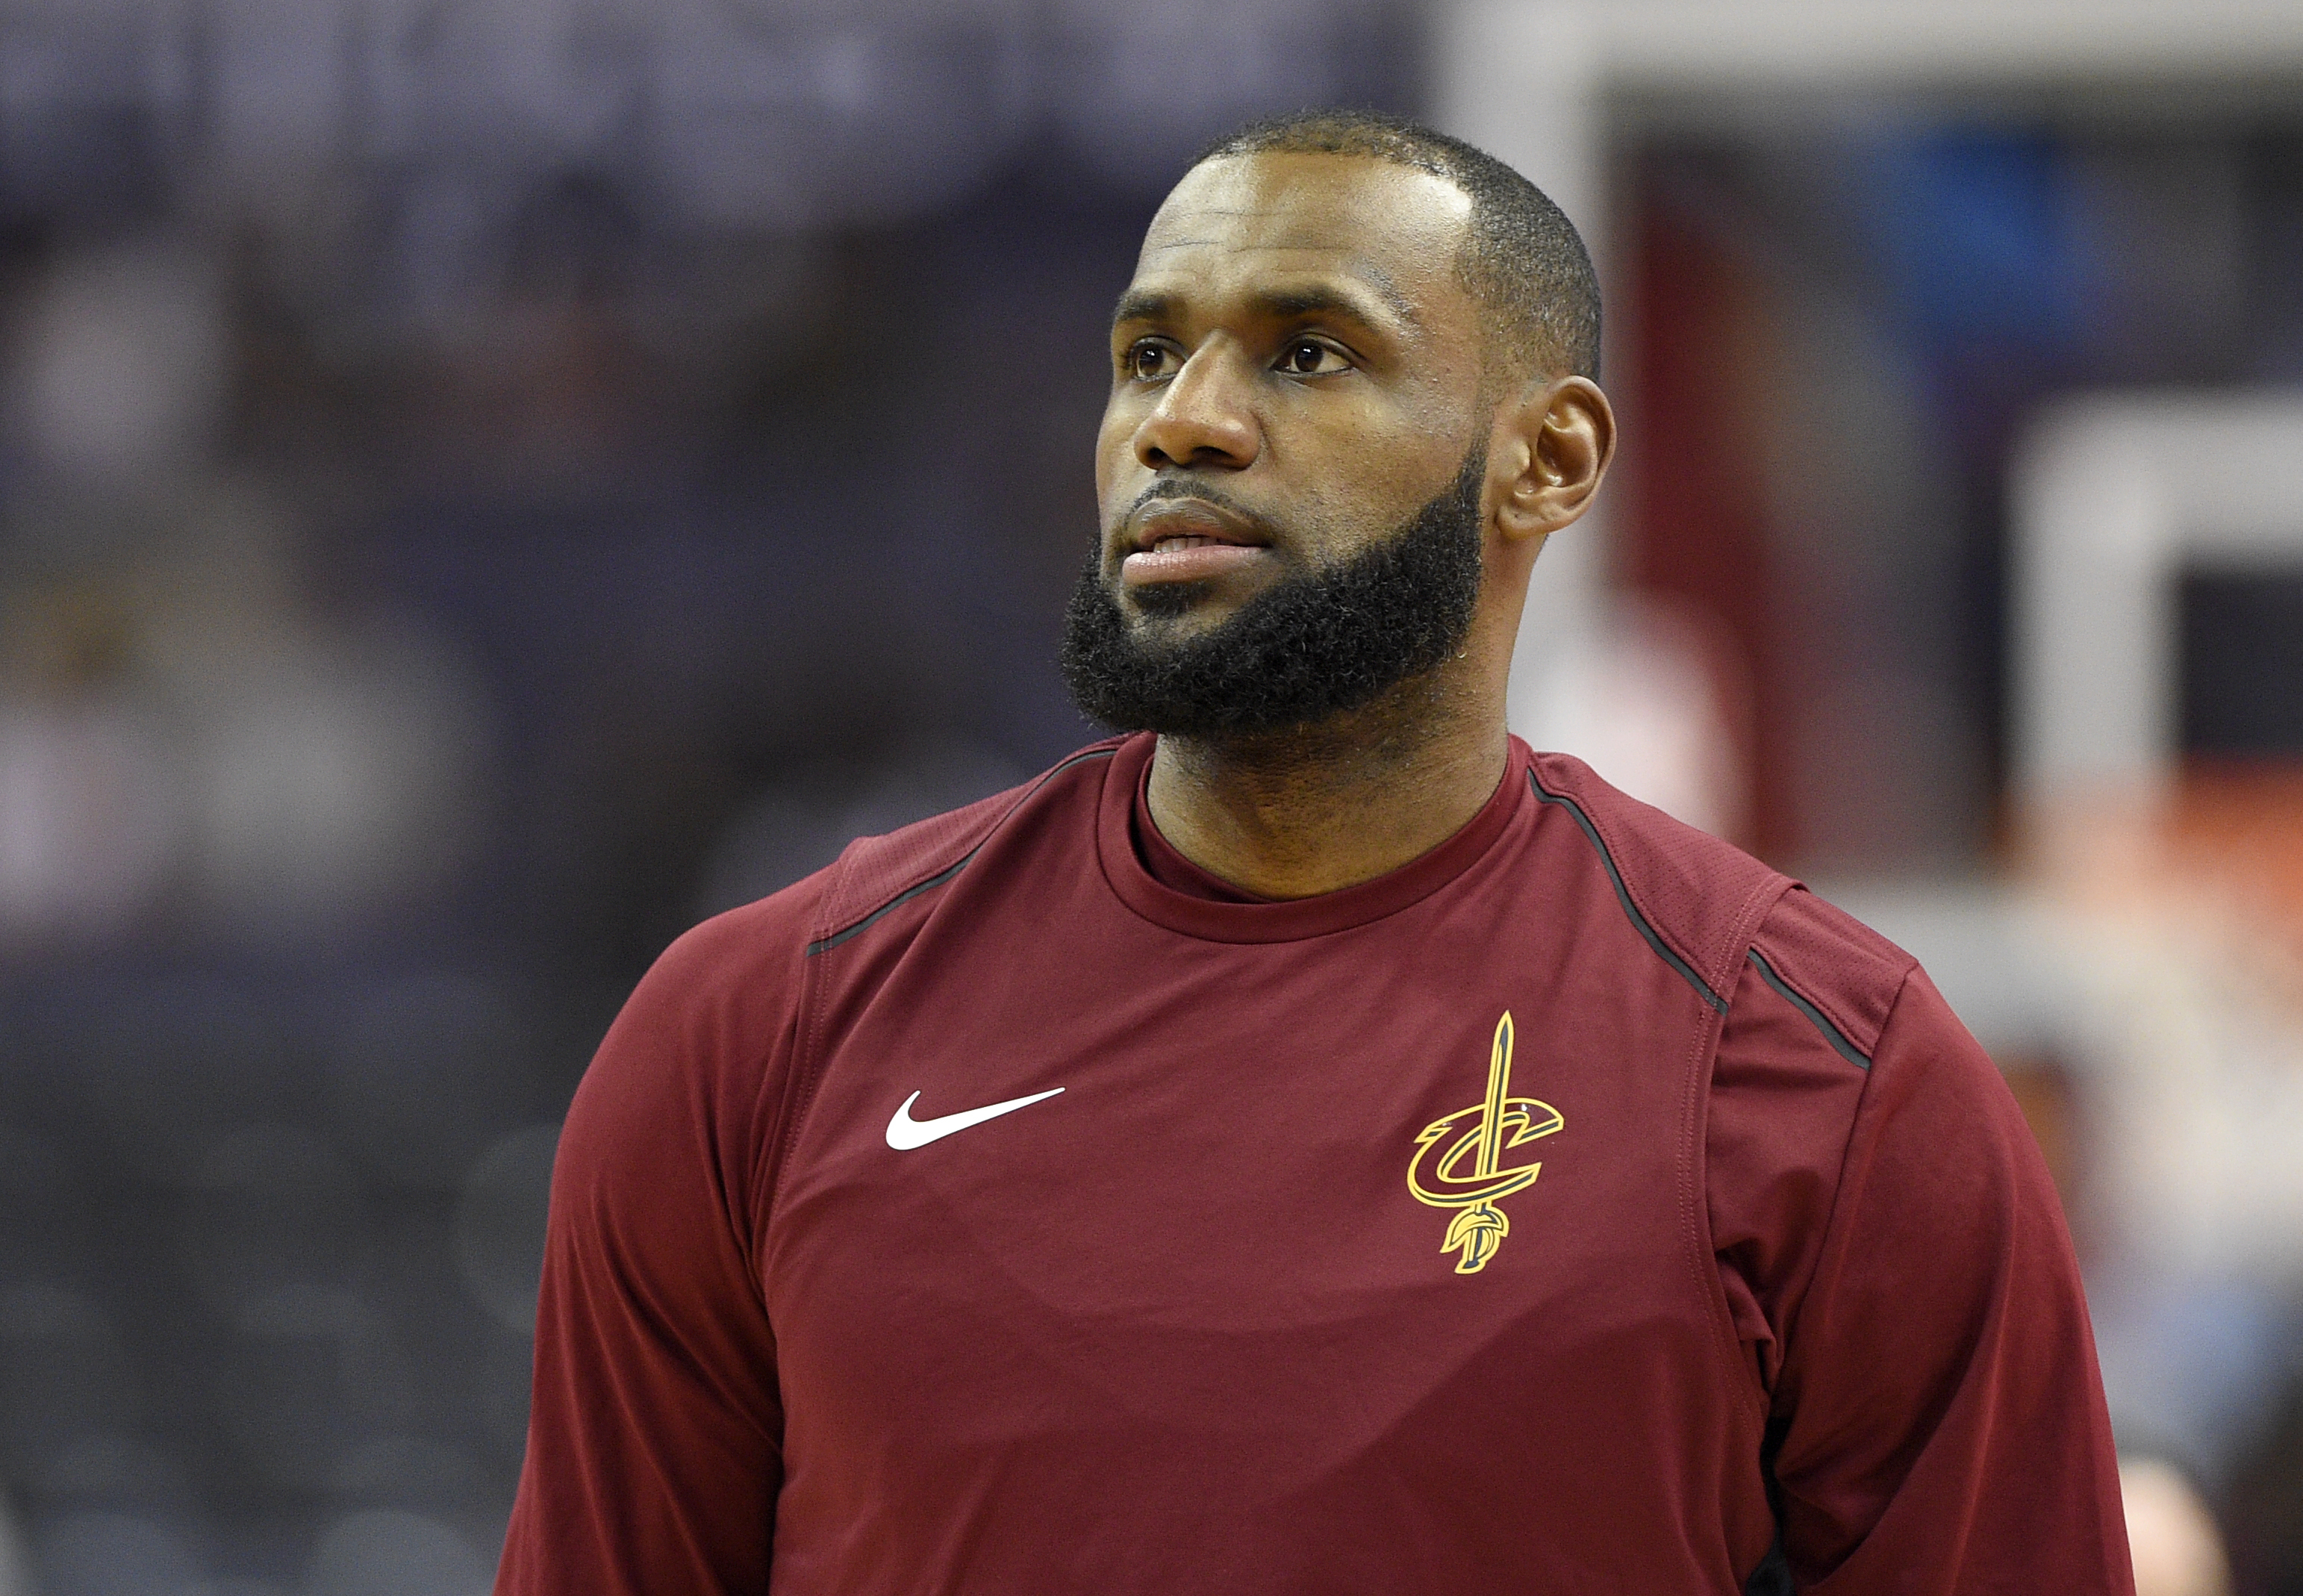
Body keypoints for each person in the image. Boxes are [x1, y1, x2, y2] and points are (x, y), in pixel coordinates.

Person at [495, 110, 2134, 1595]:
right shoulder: (756, 1033)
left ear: (1547, 459)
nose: (1183, 422)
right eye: (1148, 355)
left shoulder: (1819, 1070)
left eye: (1307, 354)